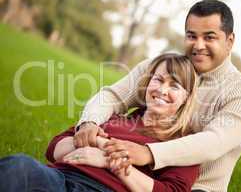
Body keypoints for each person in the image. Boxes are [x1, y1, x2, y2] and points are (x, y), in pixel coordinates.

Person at [74, 0, 241, 192]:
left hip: (197, 188)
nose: (198, 45)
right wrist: (90, 121)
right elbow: (112, 96)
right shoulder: (159, 68)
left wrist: (148, 153)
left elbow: (213, 142)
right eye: (191, 36)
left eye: (209, 37)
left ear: (229, 41)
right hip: (135, 175)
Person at [0, 53, 200, 192]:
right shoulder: (116, 118)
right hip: (59, 178)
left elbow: (171, 190)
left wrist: (109, 161)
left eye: (174, 85)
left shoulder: (181, 144)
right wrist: (96, 141)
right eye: (158, 80)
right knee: (19, 167)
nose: (162, 90)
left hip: (105, 189)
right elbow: (54, 148)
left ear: (186, 97)